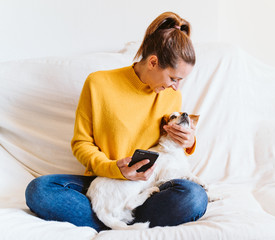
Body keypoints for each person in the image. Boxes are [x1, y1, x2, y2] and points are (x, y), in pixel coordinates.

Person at [25, 12, 208, 232]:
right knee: (40, 190)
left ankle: (113, 222)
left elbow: (167, 149)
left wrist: (188, 142)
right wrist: (113, 169)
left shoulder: (171, 96)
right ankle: (122, 223)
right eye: (173, 78)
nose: (176, 87)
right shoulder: (99, 84)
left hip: (147, 187)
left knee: (194, 197)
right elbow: (81, 143)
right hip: (103, 183)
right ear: (152, 62)